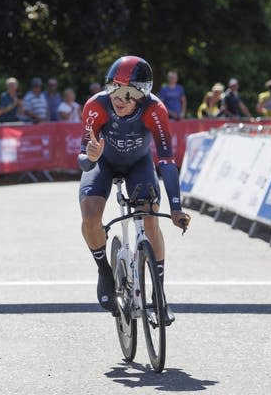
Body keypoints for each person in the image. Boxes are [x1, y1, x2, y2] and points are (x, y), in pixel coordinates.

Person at [78, 56, 190, 324]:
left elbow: (167, 161)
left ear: (143, 95)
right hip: (102, 164)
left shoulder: (155, 109)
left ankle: (159, 296)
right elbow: (83, 160)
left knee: (151, 219)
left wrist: (176, 208)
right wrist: (91, 156)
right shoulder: (96, 106)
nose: (120, 98)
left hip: (139, 164)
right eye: (114, 88)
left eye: (129, 94)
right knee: (91, 216)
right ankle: (104, 272)